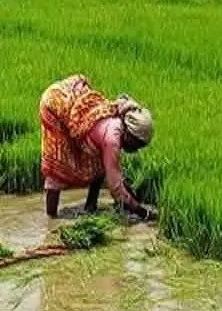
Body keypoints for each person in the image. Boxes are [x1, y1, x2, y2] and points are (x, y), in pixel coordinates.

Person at [40, 75, 157, 221]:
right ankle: (51, 220)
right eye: (137, 144)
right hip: (54, 105)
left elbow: (112, 171)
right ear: (129, 134)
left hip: (72, 104)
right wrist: (143, 213)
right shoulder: (112, 138)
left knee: (99, 164)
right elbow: (115, 188)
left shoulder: (117, 123)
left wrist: (127, 192)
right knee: (58, 164)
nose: (136, 150)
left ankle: (90, 207)